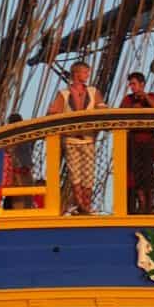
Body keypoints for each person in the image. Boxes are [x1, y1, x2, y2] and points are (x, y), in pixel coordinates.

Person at [47, 62, 104, 214]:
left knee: (89, 175)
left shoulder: (93, 92)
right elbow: (53, 112)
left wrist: (101, 110)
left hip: (88, 138)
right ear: (77, 74)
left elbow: (102, 108)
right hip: (71, 139)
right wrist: (54, 113)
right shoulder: (64, 94)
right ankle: (80, 204)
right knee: (75, 174)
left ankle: (87, 204)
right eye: (85, 72)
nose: (87, 75)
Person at [121, 72, 154, 213]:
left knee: (148, 173)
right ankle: (142, 202)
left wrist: (145, 98)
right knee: (136, 173)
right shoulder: (128, 99)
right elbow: (121, 113)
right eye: (130, 84)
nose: (131, 87)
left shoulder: (151, 96)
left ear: (142, 84)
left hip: (148, 140)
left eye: (134, 84)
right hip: (133, 140)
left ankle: (150, 203)